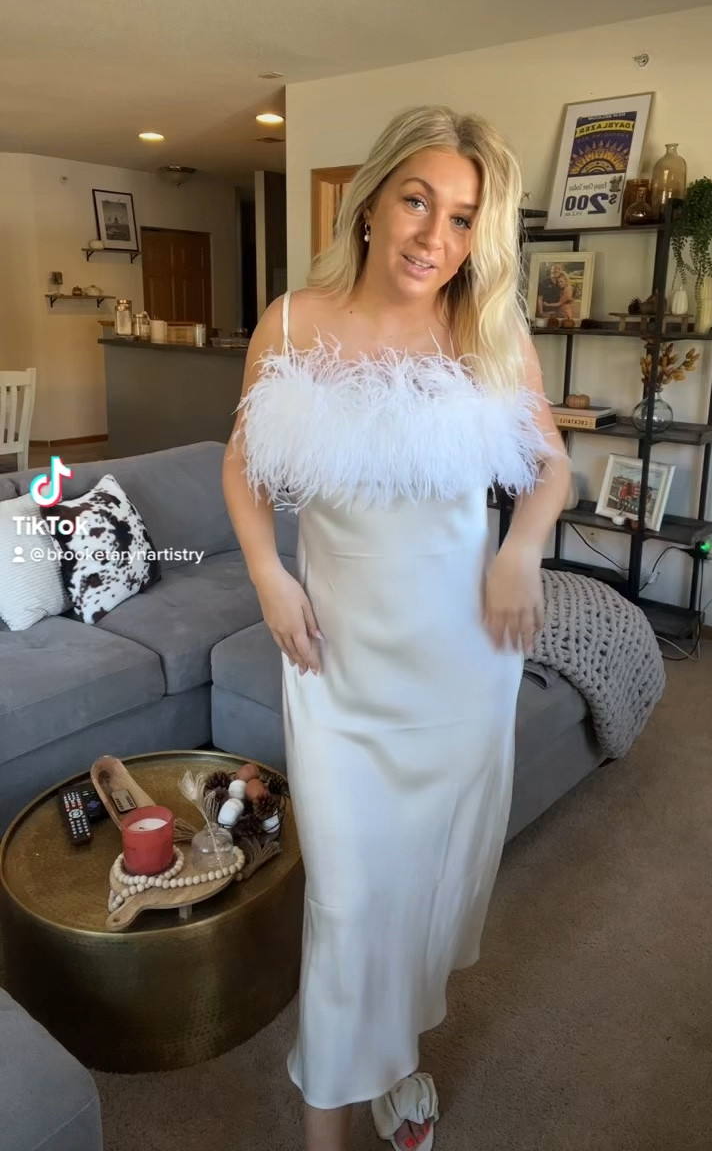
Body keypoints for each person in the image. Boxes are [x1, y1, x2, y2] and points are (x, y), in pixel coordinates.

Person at [222, 105, 570, 1151]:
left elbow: (549, 466)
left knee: (425, 887)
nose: (435, 236)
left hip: (462, 665)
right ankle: (327, 1130)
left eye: (464, 218)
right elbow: (243, 463)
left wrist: (522, 549)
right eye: (418, 200)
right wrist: (267, 573)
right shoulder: (291, 323)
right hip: (339, 664)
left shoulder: (490, 332)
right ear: (370, 200)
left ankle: (393, 1057)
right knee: (349, 898)